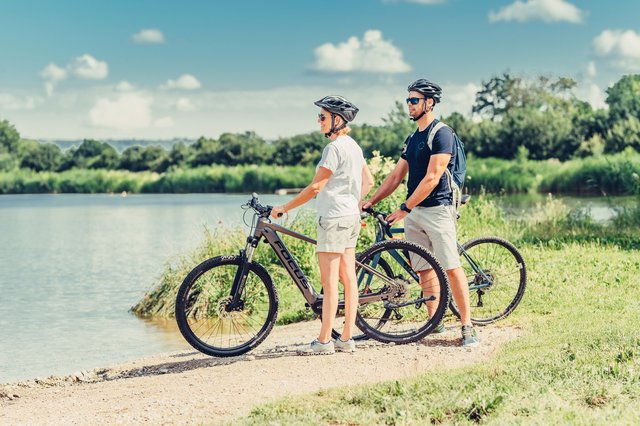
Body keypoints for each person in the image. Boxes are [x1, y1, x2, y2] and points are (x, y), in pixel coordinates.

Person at [362, 79, 479, 347]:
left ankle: (467, 326)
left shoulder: (442, 134)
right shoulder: (413, 138)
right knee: (424, 269)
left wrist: (404, 208)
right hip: (415, 211)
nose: (409, 105)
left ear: (430, 103)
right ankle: (434, 321)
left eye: (414, 100)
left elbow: (433, 177)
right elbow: (395, 176)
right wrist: (371, 201)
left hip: (438, 208)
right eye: (408, 100)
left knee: (450, 266)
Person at [271, 95, 374, 354]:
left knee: (329, 283)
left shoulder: (334, 148)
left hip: (333, 219)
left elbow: (316, 187)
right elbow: (369, 181)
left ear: (337, 120)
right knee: (349, 280)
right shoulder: (354, 146)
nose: (318, 121)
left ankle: (325, 341)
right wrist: (353, 202)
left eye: (322, 117)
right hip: (350, 217)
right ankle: (347, 338)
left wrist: (284, 208)